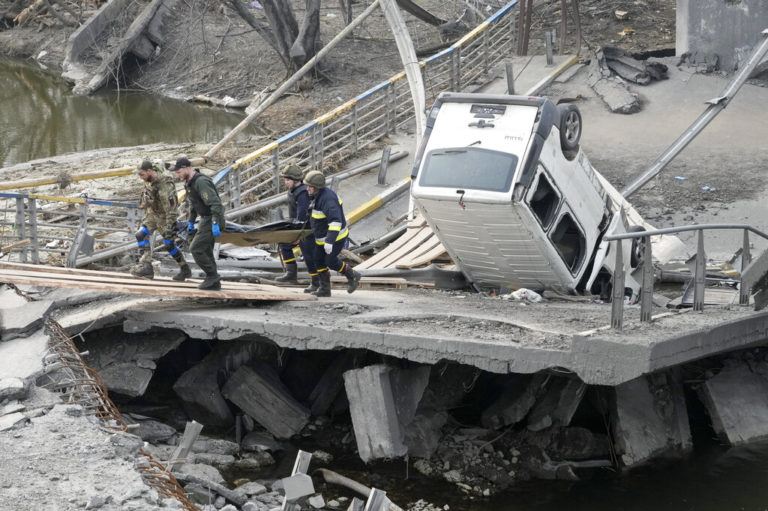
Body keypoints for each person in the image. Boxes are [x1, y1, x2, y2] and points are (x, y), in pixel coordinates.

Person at [131, 160, 191, 281]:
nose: (141, 177)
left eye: (142, 174)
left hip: (165, 218)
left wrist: (170, 227)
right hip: (153, 216)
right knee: (140, 234)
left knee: (169, 245)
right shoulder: (148, 181)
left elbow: (171, 210)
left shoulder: (165, 186)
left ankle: (185, 269)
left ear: (149, 171)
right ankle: (146, 266)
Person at [171, 156, 225, 290]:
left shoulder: (201, 182)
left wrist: (215, 222)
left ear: (186, 168)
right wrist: (190, 222)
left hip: (212, 218)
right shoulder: (189, 183)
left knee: (196, 248)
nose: (177, 175)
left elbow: (216, 204)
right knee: (206, 249)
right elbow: (194, 204)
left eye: (178, 172)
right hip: (204, 219)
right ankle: (214, 281)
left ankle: (212, 276)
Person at [304, 170, 361, 297]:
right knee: (318, 260)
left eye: (310, 186)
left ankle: (353, 275)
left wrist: (330, 241)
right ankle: (325, 289)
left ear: (317, 187)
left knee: (330, 261)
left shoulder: (328, 199)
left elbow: (335, 221)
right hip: (321, 237)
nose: (307, 188)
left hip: (336, 237)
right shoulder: (316, 195)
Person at [275, 162, 320, 293]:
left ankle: (316, 281)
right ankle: (291, 274)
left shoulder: (303, 194)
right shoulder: (293, 190)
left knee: (309, 255)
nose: (286, 182)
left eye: (288, 180)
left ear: (296, 180)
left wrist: (298, 235)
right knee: (285, 243)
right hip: (297, 225)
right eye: (285, 179)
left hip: (307, 229)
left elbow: (303, 216)